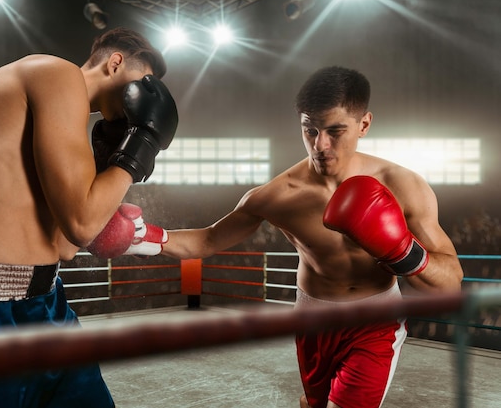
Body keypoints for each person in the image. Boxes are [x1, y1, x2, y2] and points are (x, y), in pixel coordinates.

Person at [93, 66, 464, 408]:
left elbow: (450, 286)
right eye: (310, 130)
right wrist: (140, 235)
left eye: (335, 131)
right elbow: (207, 241)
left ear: (364, 124)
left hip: (374, 323)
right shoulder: (278, 195)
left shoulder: (403, 186)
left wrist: (403, 251)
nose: (320, 145)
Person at [0, 27, 177, 408]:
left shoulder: (69, 129)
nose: (147, 96)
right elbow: (83, 224)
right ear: (115, 62)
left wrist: (107, 161)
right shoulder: (54, 73)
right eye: (144, 81)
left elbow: (67, 246)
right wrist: (142, 144)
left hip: (45, 301)